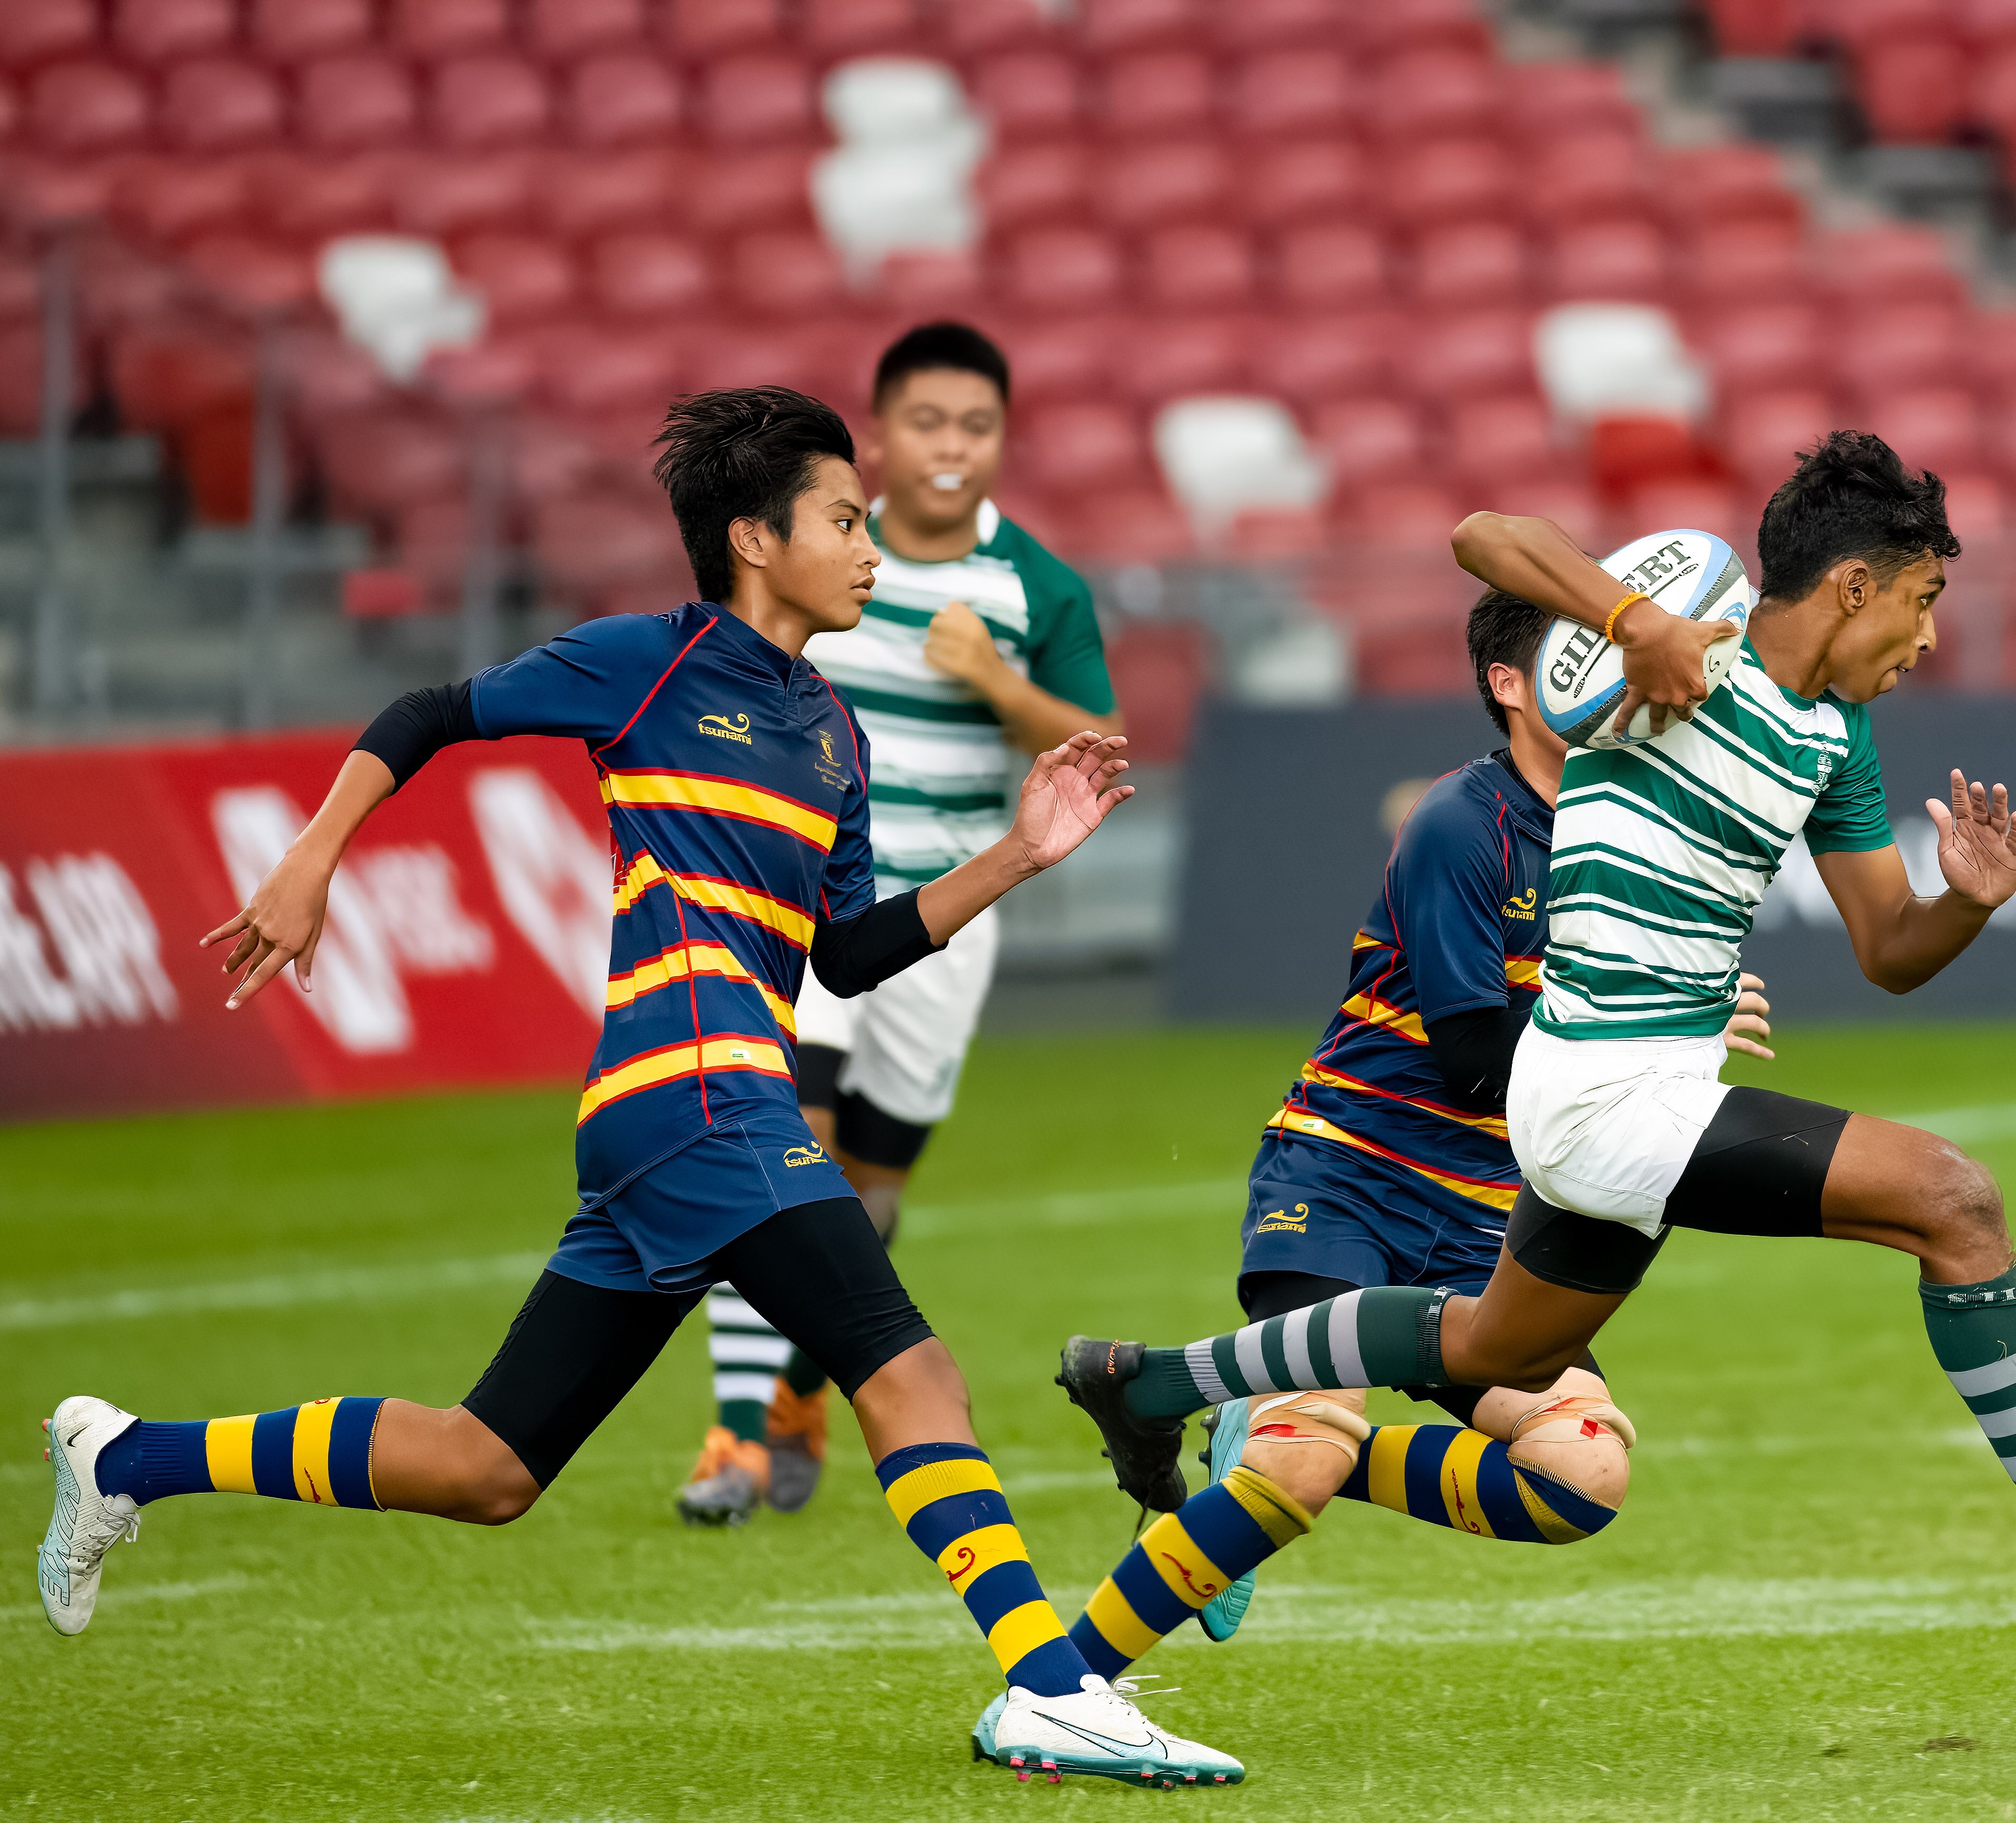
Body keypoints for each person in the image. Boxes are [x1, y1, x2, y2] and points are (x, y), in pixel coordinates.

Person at [37, 387, 1242, 1790]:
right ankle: (1046, 1685)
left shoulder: (834, 738)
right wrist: (313, 855)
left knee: (487, 1466)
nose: (872, 549)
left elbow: (846, 957)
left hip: (681, 1121)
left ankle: (129, 1456)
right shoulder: (647, 668)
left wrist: (1021, 854)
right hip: (698, 1099)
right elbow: (433, 710)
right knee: (908, 1367)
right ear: (751, 538)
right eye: (845, 521)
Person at [1058, 433, 2016, 1656]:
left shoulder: (1838, 741)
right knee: (1953, 1201)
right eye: (1921, 600)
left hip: (1639, 1097)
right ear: (1854, 586)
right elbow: (1485, 537)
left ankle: (1152, 1382)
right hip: (1600, 1093)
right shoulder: (1689, 648)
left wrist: (1964, 901)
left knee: (1493, 1345)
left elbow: (1887, 949)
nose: (1929, 639)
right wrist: (1628, 617)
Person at [1050, 587, 1778, 1687]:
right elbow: (1476, 1061)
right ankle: (1062, 1686)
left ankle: (1273, 1429)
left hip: (1488, 1216)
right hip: (1348, 1179)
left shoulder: (1632, 828)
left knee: (1580, 1481)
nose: (1612, 666)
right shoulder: (1459, 823)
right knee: (1297, 1465)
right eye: (1579, 650)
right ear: (1508, 685)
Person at [680, 323, 1123, 1526]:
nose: (950, 446)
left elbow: (1094, 748)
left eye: (975, 426)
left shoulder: (1035, 587)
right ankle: (731, 1430)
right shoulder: (821, 547)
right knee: (777, 1153)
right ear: (879, 435)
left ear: (1001, 442)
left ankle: (799, 1390)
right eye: (927, 422)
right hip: (804, 907)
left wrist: (990, 678)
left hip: (946, 922)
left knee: (867, 1200)